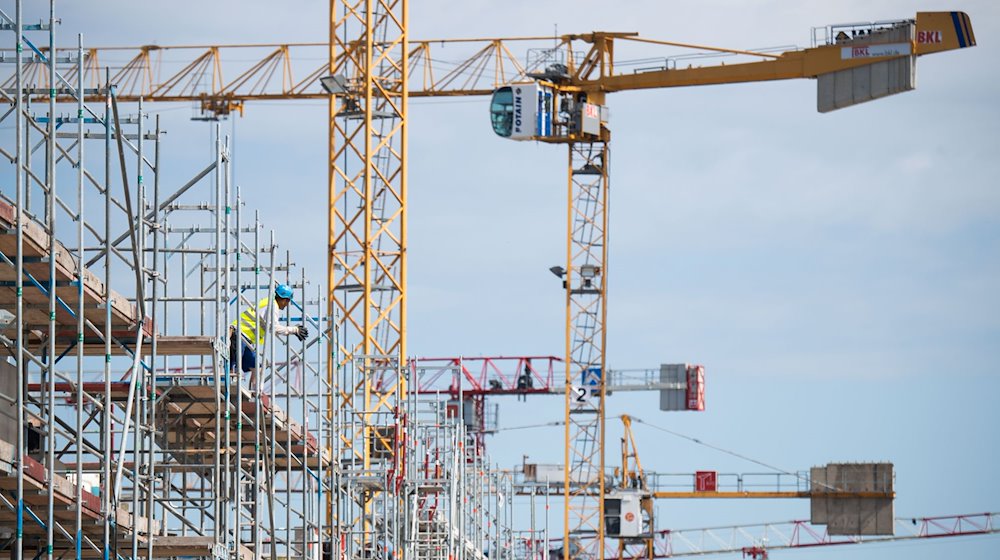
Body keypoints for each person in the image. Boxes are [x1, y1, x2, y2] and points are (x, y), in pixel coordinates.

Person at [230, 283, 308, 384]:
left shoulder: (270, 303)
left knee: (257, 368)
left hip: (246, 339)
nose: (287, 304)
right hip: (238, 334)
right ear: (285, 299)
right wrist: (294, 330)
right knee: (233, 367)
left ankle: (255, 394)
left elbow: (271, 326)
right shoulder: (272, 306)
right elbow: (274, 327)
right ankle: (229, 386)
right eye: (288, 301)